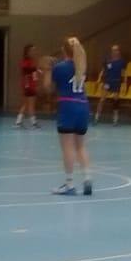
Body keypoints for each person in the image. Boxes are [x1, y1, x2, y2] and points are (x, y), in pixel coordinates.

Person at [51, 36, 92, 196]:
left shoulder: (60, 67)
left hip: (68, 106)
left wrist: (46, 71)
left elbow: (50, 87)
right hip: (83, 105)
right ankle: (87, 178)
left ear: (63, 50)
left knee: (67, 146)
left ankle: (69, 184)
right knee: (81, 146)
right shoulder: (82, 66)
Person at [94, 44, 126, 125]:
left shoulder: (121, 61)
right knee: (102, 100)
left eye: (116, 50)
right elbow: (103, 70)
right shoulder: (107, 60)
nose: (114, 52)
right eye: (113, 50)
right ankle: (97, 117)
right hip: (107, 82)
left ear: (118, 51)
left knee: (115, 100)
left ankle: (115, 119)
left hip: (116, 82)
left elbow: (124, 72)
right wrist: (99, 78)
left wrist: (125, 83)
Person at [15, 44, 40, 128]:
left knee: (25, 104)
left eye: (35, 50)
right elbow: (25, 72)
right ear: (27, 52)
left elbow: (33, 73)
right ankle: (33, 123)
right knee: (30, 104)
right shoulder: (26, 62)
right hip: (28, 85)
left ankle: (18, 122)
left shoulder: (32, 61)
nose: (34, 52)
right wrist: (27, 85)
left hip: (31, 85)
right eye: (32, 50)